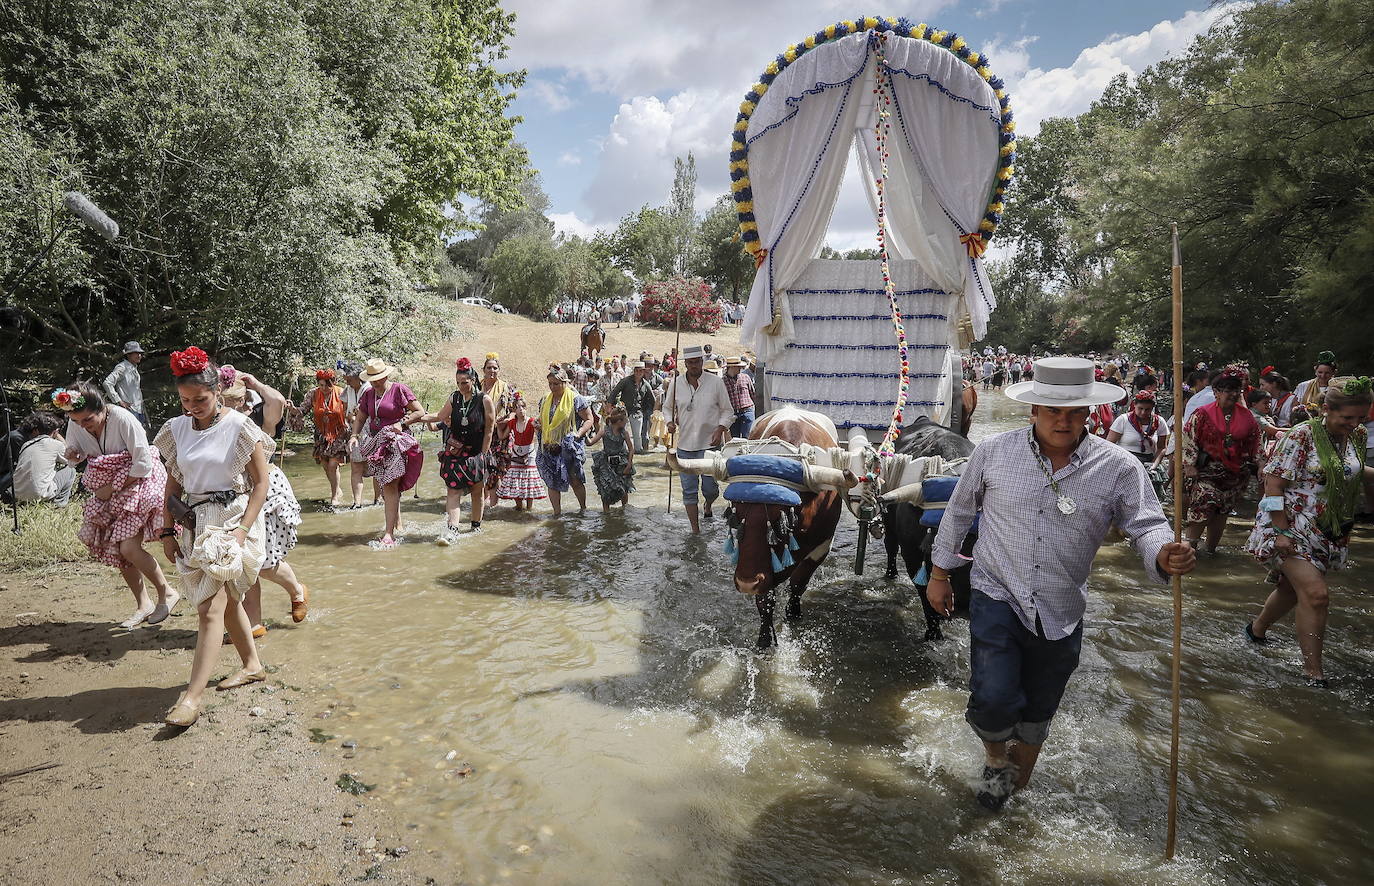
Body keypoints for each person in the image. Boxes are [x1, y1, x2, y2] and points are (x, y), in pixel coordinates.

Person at [928, 357, 1196, 811]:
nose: (1063, 420)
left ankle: (1016, 784)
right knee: (993, 698)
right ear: (1033, 410)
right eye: (1053, 410)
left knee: (1038, 709)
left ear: (1090, 414)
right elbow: (958, 512)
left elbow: (1146, 524)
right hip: (997, 591)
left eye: (1074, 412)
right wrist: (938, 574)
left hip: (1061, 605)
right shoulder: (993, 453)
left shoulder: (1119, 467)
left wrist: (1164, 552)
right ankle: (996, 760)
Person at [153, 347, 271, 728]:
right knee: (227, 599)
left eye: (200, 399)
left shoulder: (239, 426)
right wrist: (167, 528)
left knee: (209, 608)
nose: (192, 407)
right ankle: (252, 665)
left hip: (232, 518)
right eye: (185, 400)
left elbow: (261, 485)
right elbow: (174, 480)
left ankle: (192, 698)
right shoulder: (176, 428)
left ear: (218, 391)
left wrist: (241, 531)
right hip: (193, 521)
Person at [1244, 377, 1374, 685]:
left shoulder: (1354, 435)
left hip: (1326, 527)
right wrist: (1281, 532)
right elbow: (1273, 483)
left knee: (1292, 589)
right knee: (1316, 595)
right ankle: (1314, 674)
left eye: (1361, 417)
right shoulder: (1301, 435)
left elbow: (1349, 469)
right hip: (1288, 523)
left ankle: (1256, 630)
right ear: (1326, 409)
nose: (1354, 423)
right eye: (1347, 417)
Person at [57, 383, 178, 629]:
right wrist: (73, 456)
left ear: (102, 408)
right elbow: (75, 454)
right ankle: (143, 603)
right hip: (109, 488)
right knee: (116, 547)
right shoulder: (76, 422)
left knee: (129, 548)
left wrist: (111, 488)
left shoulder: (123, 419)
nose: (82, 425)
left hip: (139, 481)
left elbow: (142, 463)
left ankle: (167, 592)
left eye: (88, 420)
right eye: (76, 421)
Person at [221, 381, 308, 636]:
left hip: (264, 491)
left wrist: (253, 381)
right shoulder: (210, 423)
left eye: (224, 398)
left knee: (265, 562)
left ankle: (297, 591)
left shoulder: (256, 419)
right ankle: (254, 622)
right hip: (231, 496)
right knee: (244, 564)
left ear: (240, 400)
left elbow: (278, 401)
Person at [1180, 367, 1260, 554]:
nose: (1232, 394)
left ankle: (1210, 551)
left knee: (1222, 511)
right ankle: (1189, 547)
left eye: (1236, 390)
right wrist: (1189, 464)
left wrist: (1261, 464)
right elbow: (1188, 438)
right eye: (1227, 390)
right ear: (1216, 392)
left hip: (1235, 474)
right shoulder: (1202, 413)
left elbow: (1256, 442)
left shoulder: (1247, 416)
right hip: (1206, 470)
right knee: (1205, 503)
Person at [349, 358, 424, 549]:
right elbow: (361, 417)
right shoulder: (368, 394)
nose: (375, 382)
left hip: (396, 442)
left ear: (386, 375)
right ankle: (397, 525)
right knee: (386, 486)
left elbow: (419, 411)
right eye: (372, 379)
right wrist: (354, 435)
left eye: (378, 378)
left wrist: (403, 423)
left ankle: (389, 533)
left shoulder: (399, 390)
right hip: (377, 444)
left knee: (390, 484)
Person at [421, 357, 494, 544]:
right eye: (458, 383)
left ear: (473, 380)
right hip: (455, 452)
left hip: (477, 452)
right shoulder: (454, 398)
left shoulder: (484, 400)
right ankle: (452, 530)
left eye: (465, 383)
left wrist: (484, 455)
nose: (461, 386)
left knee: (478, 492)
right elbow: (438, 416)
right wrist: (416, 417)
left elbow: (489, 430)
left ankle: (475, 526)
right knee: (453, 491)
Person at [666, 344, 733, 534]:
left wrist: (720, 429)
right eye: (690, 362)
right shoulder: (676, 383)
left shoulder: (716, 383)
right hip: (685, 445)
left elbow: (728, 411)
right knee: (689, 491)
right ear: (685, 363)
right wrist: (669, 422)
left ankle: (708, 504)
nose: (694, 365)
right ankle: (695, 530)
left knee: (711, 489)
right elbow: (667, 407)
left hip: (710, 445)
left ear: (702, 362)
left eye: (697, 362)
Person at [536, 367, 594, 516]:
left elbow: (589, 419)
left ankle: (583, 509)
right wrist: (538, 425)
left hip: (569, 447)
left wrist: (579, 433)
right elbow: (545, 421)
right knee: (551, 481)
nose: (552, 387)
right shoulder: (544, 400)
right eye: (550, 383)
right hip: (549, 445)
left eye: (556, 384)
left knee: (575, 479)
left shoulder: (576, 399)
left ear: (565, 383)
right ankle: (557, 514)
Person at [13, 412, 76, 507]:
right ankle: (59, 503)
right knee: (71, 470)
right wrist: (59, 438)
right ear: (56, 431)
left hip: (17, 494)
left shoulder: (26, 445)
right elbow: (72, 461)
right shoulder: (56, 444)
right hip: (38, 494)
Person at [308, 369, 350, 508]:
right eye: (321, 385)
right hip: (321, 433)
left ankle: (334, 497)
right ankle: (336, 488)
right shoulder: (313, 394)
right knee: (326, 465)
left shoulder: (342, 393)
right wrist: (293, 409)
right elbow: (303, 409)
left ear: (334, 383)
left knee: (333, 465)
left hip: (339, 433)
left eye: (327, 385)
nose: (324, 388)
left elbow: (351, 410)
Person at [496, 392, 545, 510]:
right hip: (516, 454)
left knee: (529, 483)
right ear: (514, 410)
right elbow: (502, 436)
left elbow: (540, 435)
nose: (521, 410)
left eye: (523, 407)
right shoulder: (512, 423)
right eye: (518, 407)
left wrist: (539, 428)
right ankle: (519, 507)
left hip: (529, 454)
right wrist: (498, 425)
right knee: (514, 482)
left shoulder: (531, 421)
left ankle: (529, 509)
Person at [480, 352, 513, 509]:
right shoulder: (477, 387)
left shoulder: (505, 388)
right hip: (479, 433)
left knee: (495, 468)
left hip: (499, 434)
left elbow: (515, 408)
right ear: (483, 369)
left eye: (494, 368)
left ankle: (493, 505)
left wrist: (508, 419)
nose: (491, 371)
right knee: (482, 466)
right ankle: (483, 500)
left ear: (499, 370)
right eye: (489, 368)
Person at [588, 406, 636, 511]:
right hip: (606, 462)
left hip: (621, 462)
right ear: (619, 421)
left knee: (624, 488)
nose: (626, 422)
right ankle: (606, 514)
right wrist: (583, 433)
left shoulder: (624, 433)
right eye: (625, 420)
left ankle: (624, 510)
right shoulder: (604, 431)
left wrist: (629, 464)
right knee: (605, 489)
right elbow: (590, 443)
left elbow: (631, 449)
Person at [1106, 392, 1169, 470]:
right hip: (1124, 462)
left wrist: (1154, 464)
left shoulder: (1159, 421)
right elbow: (1109, 445)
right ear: (1134, 405)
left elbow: (1162, 447)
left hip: (1148, 462)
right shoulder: (1123, 420)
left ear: (1153, 408)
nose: (1143, 412)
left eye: (1147, 409)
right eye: (1140, 408)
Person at [609, 361, 654, 452]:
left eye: (641, 371)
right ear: (634, 371)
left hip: (637, 412)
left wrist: (652, 412)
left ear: (643, 372)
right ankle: (623, 453)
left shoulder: (646, 384)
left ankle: (638, 453)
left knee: (637, 436)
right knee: (622, 433)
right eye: (637, 370)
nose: (638, 373)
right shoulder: (625, 381)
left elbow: (652, 400)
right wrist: (609, 405)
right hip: (623, 412)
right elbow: (614, 392)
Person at [103, 341, 147, 428]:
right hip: (129, 410)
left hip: (138, 410)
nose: (139, 355)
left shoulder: (133, 368)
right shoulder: (122, 367)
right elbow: (107, 383)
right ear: (128, 355)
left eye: (140, 353)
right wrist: (119, 401)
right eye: (136, 353)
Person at [1293, 351, 1338, 415]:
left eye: (1327, 373)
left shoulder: (1338, 387)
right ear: (1315, 371)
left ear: (1334, 372)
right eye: (1320, 372)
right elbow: (1294, 406)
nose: (1323, 376)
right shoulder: (1303, 386)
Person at [722, 355, 756, 439]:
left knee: (747, 437)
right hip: (733, 414)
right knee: (735, 439)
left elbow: (752, 393)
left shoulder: (745, 377)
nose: (740, 369)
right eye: (738, 367)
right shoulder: (722, 382)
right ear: (732, 367)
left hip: (747, 411)